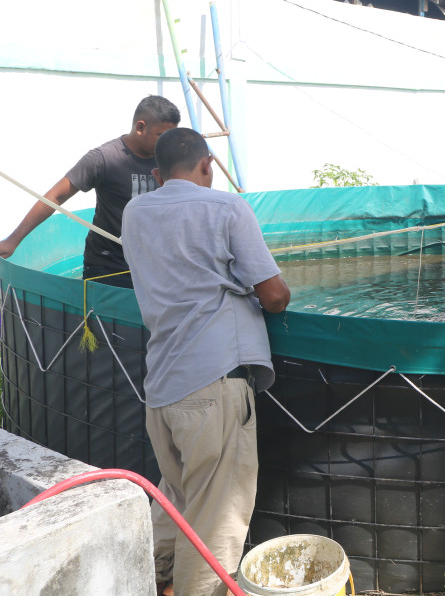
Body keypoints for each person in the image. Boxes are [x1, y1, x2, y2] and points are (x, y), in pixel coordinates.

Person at [121, 127, 290, 596]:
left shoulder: (134, 213)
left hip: (162, 391)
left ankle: (138, 581)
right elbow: (274, 295)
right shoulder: (227, 207)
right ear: (207, 164)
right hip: (214, 386)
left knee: (178, 499)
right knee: (217, 519)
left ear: (156, 175)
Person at [0, 95, 180, 288]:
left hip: (152, 264)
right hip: (109, 267)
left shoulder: (168, 159)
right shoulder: (103, 159)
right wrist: (12, 240)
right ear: (140, 127)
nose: (167, 143)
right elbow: (55, 196)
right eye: (162, 136)